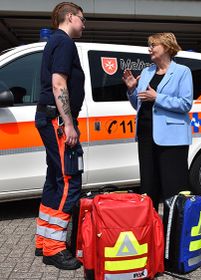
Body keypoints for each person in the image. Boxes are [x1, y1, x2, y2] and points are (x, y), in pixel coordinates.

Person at [34, 2, 85, 270]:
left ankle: (44, 240)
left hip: (48, 116)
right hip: (57, 119)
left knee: (54, 179)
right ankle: (54, 249)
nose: (84, 25)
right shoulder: (64, 42)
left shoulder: (53, 42)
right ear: (70, 17)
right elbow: (58, 83)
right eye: (82, 19)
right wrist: (68, 123)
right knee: (69, 180)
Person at [122, 32, 193, 211]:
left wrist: (157, 97)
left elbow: (185, 104)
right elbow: (139, 103)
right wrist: (131, 90)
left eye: (154, 45)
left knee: (173, 189)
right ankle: (152, 230)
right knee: (148, 188)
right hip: (146, 137)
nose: (150, 49)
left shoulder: (182, 72)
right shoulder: (147, 72)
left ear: (167, 47)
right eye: (150, 45)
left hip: (172, 140)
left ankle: (174, 232)